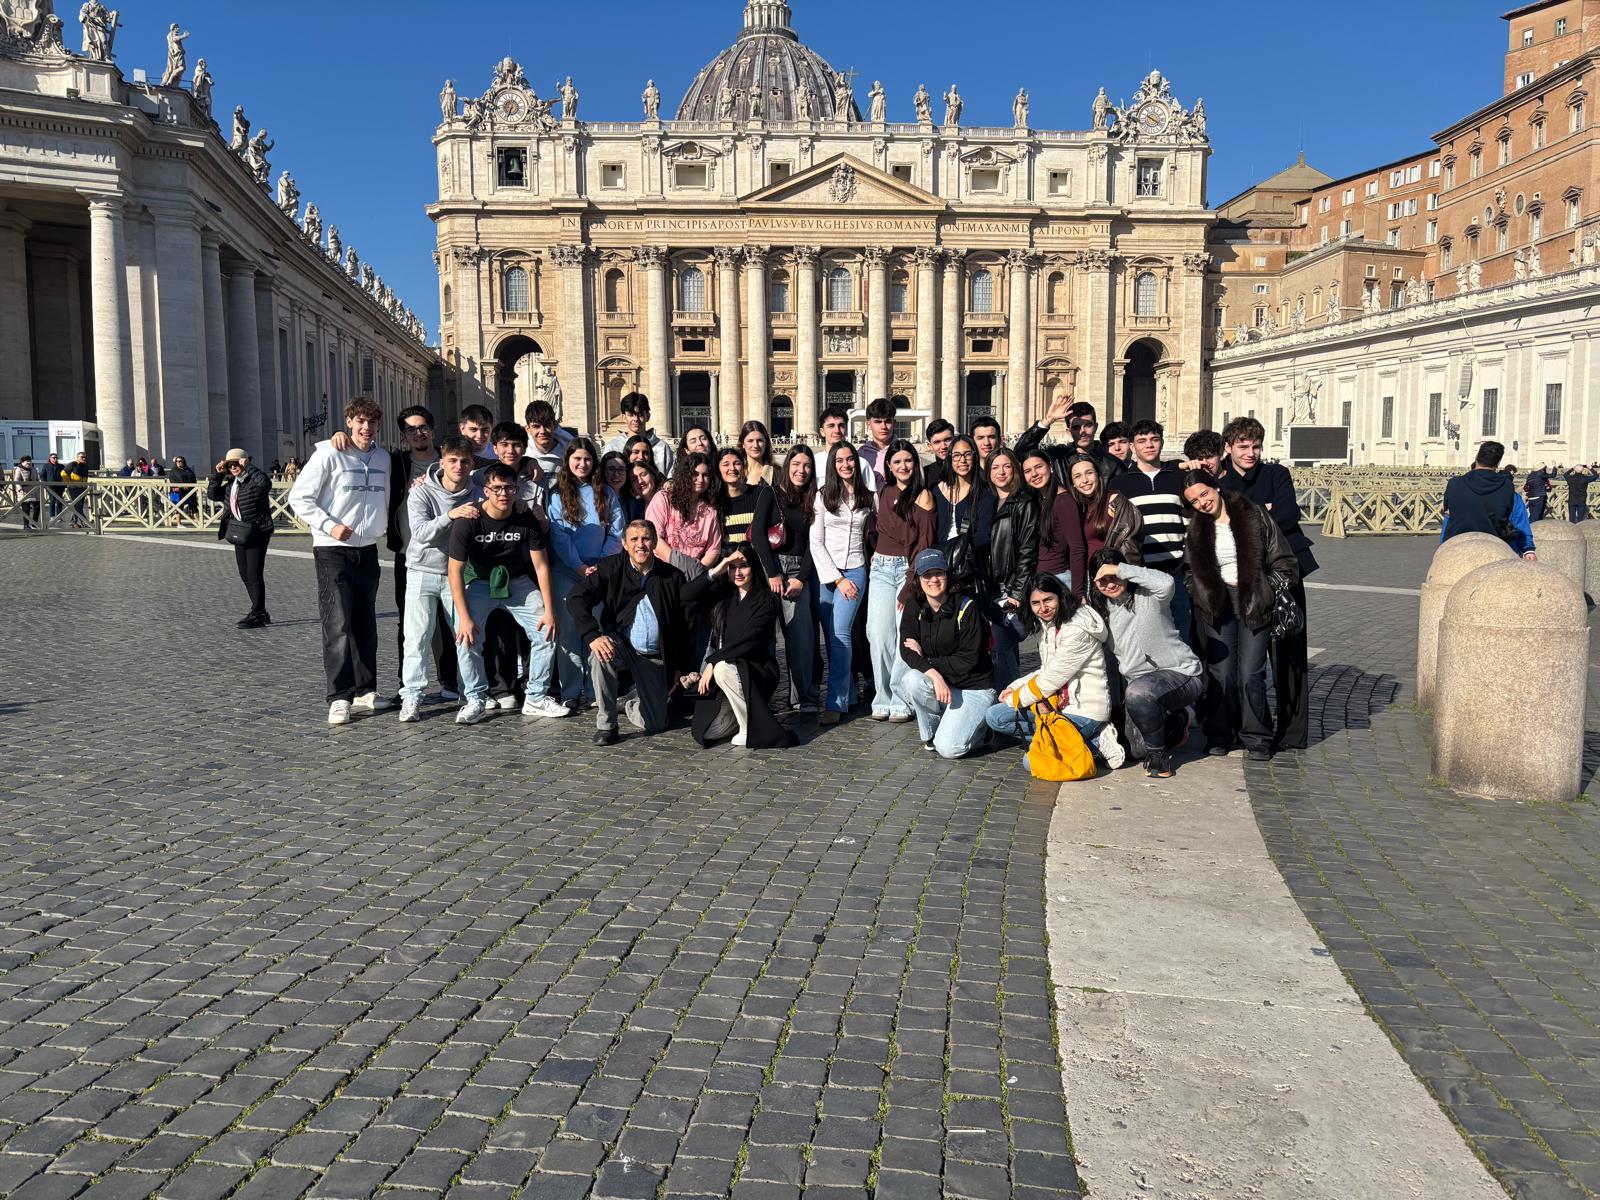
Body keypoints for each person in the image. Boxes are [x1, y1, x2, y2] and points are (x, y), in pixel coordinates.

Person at [288, 396, 396, 726]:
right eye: (360, 421)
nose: (366, 427)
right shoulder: (328, 454)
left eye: (372, 422)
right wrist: (329, 525)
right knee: (337, 624)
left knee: (366, 623)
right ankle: (339, 696)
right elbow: (299, 497)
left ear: (379, 425)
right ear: (349, 422)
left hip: (368, 548)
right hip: (332, 549)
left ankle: (365, 690)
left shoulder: (383, 457)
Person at [1217, 417, 1321, 750]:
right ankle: (1238, 726)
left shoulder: (1277, 474)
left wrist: (1239, 514)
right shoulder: (1219, 477)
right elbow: (1216, 519)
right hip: (1238, 577)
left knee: (1289, 651)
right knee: (1238, 659)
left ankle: (1292, 732)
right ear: (1228, 447)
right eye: (1243, 446)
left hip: (1281, 572)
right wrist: (1264, 510)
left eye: (1256, 446)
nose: (1251, 453)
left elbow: (1287, 515)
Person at [1181, 470, 1298, 761]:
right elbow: (1189, 572)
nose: (1202, 503)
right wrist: (1201, 593)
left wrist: (1266, 589)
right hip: (1217, 604)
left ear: (1216, 487)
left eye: (1204, 494)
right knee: (1221, 672)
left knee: (1250, 673)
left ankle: (1257, 737)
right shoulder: (1197, 528)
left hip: (1254, 598)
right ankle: (1220, 734)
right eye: (1194, 501)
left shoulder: (1253, 514)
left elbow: (1284, 560)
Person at [446, 462, 566, 726]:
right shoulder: (469, 520)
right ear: (486, 491)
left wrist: (549, 610)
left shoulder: (525, 516)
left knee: (547, 631)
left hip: (517, 581)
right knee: (466, 636)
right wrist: (464, 617)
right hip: (479, 582)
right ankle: (475, 699)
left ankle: (536, 697)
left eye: (509, 488)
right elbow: (454, 571)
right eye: (497, 488)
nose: (503, 493)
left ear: (517, 490)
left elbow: (541, 566)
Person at [569, 520, 691, 745]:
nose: (640, 544)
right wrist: (593, 635)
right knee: (600, 654)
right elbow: (576, 598)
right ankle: (607, 725)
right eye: (634, 539)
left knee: (655, 723)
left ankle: (628, 703)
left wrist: (679, 666)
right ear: (624, 544)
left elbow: (682, 625)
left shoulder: (672, 576)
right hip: (621, 646)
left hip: (655, 657)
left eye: (646, 538)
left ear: (655, 542)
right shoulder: (610, 567)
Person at [1088, 551, 1205, 779]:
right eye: (1103, 580)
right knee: (1135, 751)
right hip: (1140, 685)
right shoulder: (1101, 611)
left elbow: (1167, 582)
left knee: (1139, 694)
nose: (1110, 584)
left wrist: (1119, 569)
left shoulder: (1150, 595)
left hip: (1181, 674)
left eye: (1114, 576)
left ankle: (1159, 757)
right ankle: (1177, 720)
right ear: (1094, 582)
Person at [985, 572, 1114, 770]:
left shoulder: (1077, 628)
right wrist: (1015, 687)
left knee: (1031, 762)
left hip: (1085, 711)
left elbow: (1050, 680)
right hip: (1057, 706)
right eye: (1036, 603)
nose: (1043, 608)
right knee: (995, 716)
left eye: (1048, 600)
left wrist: (1016, 698)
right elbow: (1047, 670)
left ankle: (1095, 742)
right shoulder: (1051, 624)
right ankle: (1061, 739)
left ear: (1060, 596)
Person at [399, 436, 482, 722]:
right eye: (453, 461)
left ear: (472, 464)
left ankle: (472, 695)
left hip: (458, 573)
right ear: (442, 462)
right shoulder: (421, 491)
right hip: (422, 569)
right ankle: (411, 695)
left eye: (465, 461)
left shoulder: (478, 491)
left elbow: (503, 474)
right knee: (417, 637)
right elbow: (421, 533)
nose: (459, 466)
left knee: (465, 634)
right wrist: (451, 515)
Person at [683, 550, 797, 749]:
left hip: (755, 669)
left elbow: (749, 640)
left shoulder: (766, 598)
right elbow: (686, 595)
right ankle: (745, 718)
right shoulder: (724, 596)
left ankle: (748, 729)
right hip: (725, 677)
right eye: (732, 567)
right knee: (707, 732)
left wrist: (713, 662)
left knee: (722, 668)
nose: (737, 572)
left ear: (754, 568)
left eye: (743, 566)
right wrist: (717, 569)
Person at [383, 405, 458, 701]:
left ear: (433, 431)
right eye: (411, 430)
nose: (418, 434)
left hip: (449, 556)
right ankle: (407, 686)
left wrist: (528, 462)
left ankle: (450, 682)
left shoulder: (448, 460)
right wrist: (339, 434)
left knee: (449, 622)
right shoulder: (395, 463)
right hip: (408, 555)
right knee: (409, 624)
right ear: (403, 436)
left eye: (423, 427)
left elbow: (484, 464)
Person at [546, 437, 625, 708]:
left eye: (588, 459)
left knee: (596, 630)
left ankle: (594, 691)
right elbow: (559, 535)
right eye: (577, 459)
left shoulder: (606, 493)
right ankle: (570, 691)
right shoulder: (557, 494)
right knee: (568, 632)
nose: (582, 464)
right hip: (567, 570)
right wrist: (579, 566)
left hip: (599, 572)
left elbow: (616, 532)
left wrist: (601, 566)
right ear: (568, 461)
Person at [896, 549, 997, 758]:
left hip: (974, 687)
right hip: (944, 682)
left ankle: (983, 731)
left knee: (949, 749)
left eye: (938, 573)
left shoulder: (967, 606)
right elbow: (906, 650)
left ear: (947, 576)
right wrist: (934, 675)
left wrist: (927, 661)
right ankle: (933, 733)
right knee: (912, 680)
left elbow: (968, 659)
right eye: (927, 575)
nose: (933, 579)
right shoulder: (914, 605)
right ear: (918, 579)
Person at [866, 440, 936, 722]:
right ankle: (881, 696)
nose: (903, 466)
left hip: (908, 570)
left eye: (908, 460)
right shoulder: (884, 492)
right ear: (889, 466)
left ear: (916, 464)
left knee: (903, 635)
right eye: (897, 462)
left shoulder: (924, 496)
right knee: (878, 635)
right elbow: (878, 530)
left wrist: (910, 584)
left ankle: (900, 698)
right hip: (881, 569)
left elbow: (924, 543)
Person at [1107, 420, 1190, 637]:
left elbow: (1188, 524)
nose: (1149, 445)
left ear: (1162, 442)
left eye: (1154, 439)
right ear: (1132, 446)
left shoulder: (1179, 479)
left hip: (1176, 571)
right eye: (1142, 441)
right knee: (1144, 637)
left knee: (1181, 634)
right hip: (1140, 572)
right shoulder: (1119, 484)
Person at [811, 441, 873, 725]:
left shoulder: (868, 496)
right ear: (832, 465)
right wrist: (836, 578)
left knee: (840, 634)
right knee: (832, 637)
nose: (846, 464)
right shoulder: (823, 496)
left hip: (856, 569)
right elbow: (816, 541)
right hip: (827, 572)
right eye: (840, 460)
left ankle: (835, 701)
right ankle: (849, 693)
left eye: (850, 459)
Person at [761, 445, 819, 712]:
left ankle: (801, 697)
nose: (801, 470)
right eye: (796, 464)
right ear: (787, 466)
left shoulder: (813, 498)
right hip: (771, 569)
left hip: (798, 572)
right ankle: (762, 696)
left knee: (801, 639)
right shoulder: (770, 493)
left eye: (807, 466)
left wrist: (801, 579)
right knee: (765, 639)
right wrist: (772, 573)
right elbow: (758, 535)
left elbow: (814, 542)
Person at [985, 448, 1040, 689]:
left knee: (1002, 648)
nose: (1001, 472)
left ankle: (1010, 701)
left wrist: (1017, 592)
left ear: (1015, 470)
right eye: (995, 467)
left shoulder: (1024, 503)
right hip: (988, 586)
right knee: (998, 648)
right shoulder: (987, 501)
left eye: (1006, 466)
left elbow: (1028, 551)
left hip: (1008, 587)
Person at [209, 447, 275, 628]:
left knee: (254, 573)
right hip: (240, 532)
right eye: (229, 465)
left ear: (244, 462)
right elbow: (213, 495)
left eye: (236, 463)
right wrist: (218, 475)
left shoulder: (254, 481)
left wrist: (249, 467)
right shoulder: (232, 484)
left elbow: (265, 484)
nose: (233, 467)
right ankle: (260, 610)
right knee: (244, 573)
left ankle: (258, 612)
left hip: (257, 531)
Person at [1440, 440, 1537, 559]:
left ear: (1476, 457)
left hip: (1456, 546)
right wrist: (1528, 548)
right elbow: (1519, 518)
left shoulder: (1454, 484)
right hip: (1496, 547)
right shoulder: (1507, 487)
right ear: (1498, 463)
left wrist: (1442, 547)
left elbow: (1448, 517)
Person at [932, 434, 996, 600]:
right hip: (938, 568)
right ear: (950, 458)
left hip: (967, 569)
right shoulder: (937, 491)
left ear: (975, 456)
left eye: (968, 454)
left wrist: (953, 553)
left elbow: (984, 535)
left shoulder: (985, 493)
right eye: (957, 455)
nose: (962, 460)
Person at [1022, 449, 1088, 595]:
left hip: (1059, 580)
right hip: (1043, 581)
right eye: (1027, 471)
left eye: (1039, 467)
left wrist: (1078, 593)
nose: (1034, 474)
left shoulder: (1064, 501)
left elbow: (1077, 548)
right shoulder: (1041, 500)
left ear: (1051, 467)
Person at [647, 452, 722, 578]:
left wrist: (695, 572)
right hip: (663, 573)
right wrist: (679, 567)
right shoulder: (663, 499)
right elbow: (654, 538)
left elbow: (713, 551)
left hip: (694, 575)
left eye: (705, 475)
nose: (700, 480)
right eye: (695, 474)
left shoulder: (710, 511)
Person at [1015, 395, 1115, 487]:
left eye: (1088, 425)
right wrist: (1048, 420)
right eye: (1076, 427)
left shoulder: (1112, 464)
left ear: (1096, 427)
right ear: (1069, 431)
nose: (1082, 432)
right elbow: (1022, 452)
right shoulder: (1057, 456)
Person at [1069, 453, 1142, 564]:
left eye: (1089, 473)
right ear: (1073, 483)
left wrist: (1117, 570)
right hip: (1085, 572)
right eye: (1077, 476)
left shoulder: (1115, 502)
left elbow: (1131, 547)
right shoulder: (1076, 506)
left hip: (1111, 571)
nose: (1084, 480)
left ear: (1098, 475)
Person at [716, 446, 770, 557]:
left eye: (737, 463)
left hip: (758, 560)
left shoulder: (760, 494)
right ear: (718, 470)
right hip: (729, 562)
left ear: (743, 467)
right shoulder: (715, 501)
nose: (732, 468)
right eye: (726, 464)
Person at [603, 392, 675, 476]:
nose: (636, 419)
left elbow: (671, 478)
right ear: (624, 417)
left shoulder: (662, 447)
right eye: (631, 415)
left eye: (640, 414)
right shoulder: (613, 447)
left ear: (647, 416)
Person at [525, 400, 573, 478]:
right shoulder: (521, 451)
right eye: (536, 426)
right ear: (528, 429)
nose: (542, 431)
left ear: (555, 426)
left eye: (547, 425)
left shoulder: (570, 449)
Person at [857, 397, 897, 488]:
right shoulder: (860, 455)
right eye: (878, 422)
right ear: (868, 425)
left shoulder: (906, 452)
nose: (883, 427)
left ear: (894, 424)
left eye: (887, 421)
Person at [624, 457, 665, 524]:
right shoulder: (636, 510)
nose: (640, 481)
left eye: (643, 474)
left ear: (653, 476)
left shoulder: (667, 497)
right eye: (634, 480)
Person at [923, 419, 957, 489]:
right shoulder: (924, 474)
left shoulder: (969, 469)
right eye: (937, 442)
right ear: (930, 446)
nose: (943, 446)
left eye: (947, 440)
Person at [62, 451, 90, 527]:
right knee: (77, 505)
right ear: (77, 457)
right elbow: (63, 473)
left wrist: (85, 485)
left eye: (85, 457)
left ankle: (73, 521)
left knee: (79, 506)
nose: (84, 458)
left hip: (82, 488)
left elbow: (86, 477)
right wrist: (69, 483)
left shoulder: (86, 466)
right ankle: (85, 522)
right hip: (73, 488)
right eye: (82, 457)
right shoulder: (72, 464)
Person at [11, 454, 38, 531]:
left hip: (34, 491)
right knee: (26, 508)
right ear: (22, 462)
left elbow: (37, 479)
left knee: (37, 507)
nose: (29, 462)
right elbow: (16, 480)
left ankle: (34, 523)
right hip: (24, 491)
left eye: (30, 461)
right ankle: (26, 525)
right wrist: (20, 489)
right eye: (27, 461)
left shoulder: (33, 468)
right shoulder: (19, 469)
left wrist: (39, 486)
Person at [167, 454, 198, 520]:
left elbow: (193, 479)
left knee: (194, 506)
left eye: (180, 461)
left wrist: (190, 486)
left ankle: (198, 522)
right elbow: (172, 481)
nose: (178, 462)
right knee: (178, 507)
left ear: (184, 462)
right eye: (177, 461)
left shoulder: (188, 470)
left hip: (189, 491)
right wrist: (181, 486)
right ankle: (178, 523)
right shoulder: (173, 471)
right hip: (177, 492)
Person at [38, 451, 65, 523]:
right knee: (52, 501)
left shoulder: (61, 466)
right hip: (50, 487)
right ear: (50, 458)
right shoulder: (46, 466)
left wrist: (64, 485)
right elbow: (42, 476)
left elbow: (64, 476)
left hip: (60, 487)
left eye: (56, 458)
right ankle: (52, 516)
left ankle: (59, 516)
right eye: (54, 458)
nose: (55, 459)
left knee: (60, 501)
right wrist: (45, 484)